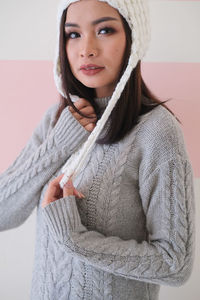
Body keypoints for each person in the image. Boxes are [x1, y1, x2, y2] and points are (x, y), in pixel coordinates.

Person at [0, 0, 195, 299]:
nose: (86, 49)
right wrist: (57, 145)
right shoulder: (56, 121)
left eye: (105, 30)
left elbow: (175, 264)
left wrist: (74, 239)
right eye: (73, 34)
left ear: (134, 37)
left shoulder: (156, 131)